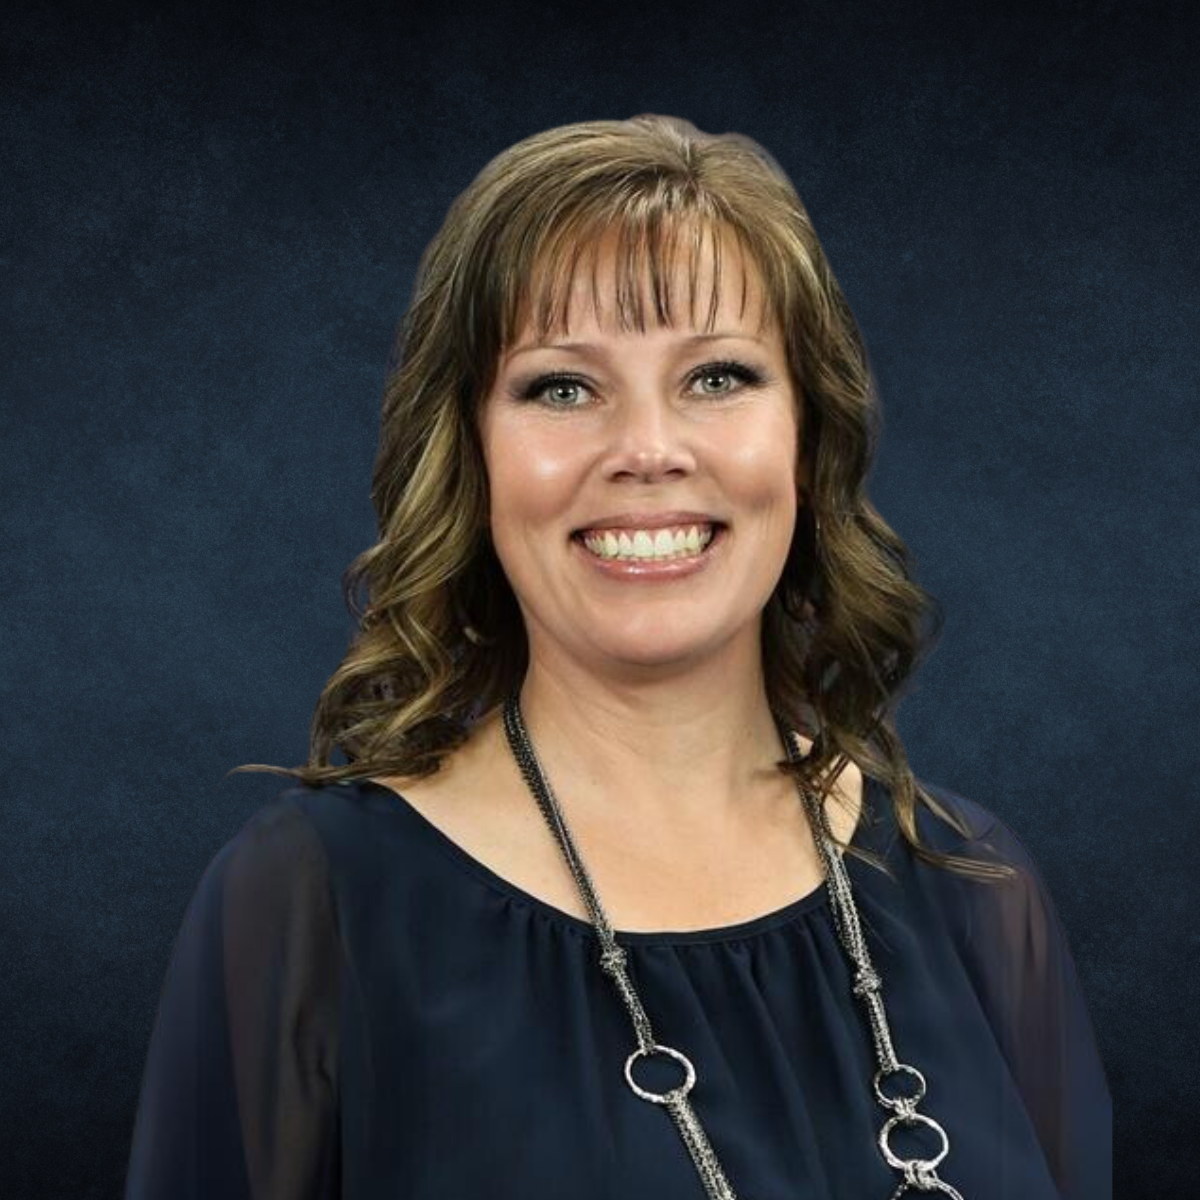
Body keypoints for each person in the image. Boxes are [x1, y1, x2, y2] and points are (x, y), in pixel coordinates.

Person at [122, 114, 1112, 1199]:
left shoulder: (974, 889)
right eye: (561, 387)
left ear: (807, 436)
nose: (647, 450)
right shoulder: (308, 908)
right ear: (470, 453)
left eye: (719, 377)